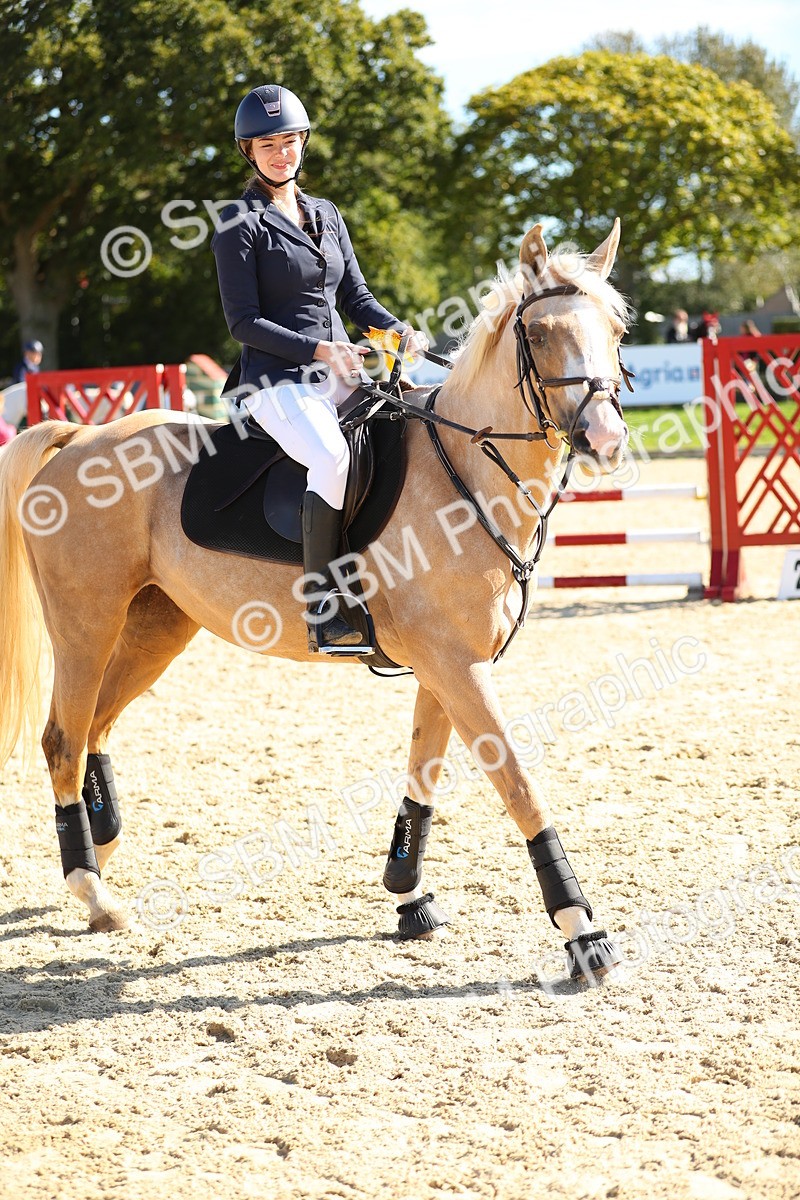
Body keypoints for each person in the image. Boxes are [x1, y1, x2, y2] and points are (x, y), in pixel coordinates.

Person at [212, 84, 427, 656]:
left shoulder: (326, 214)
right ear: (248, 152)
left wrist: (396, 330)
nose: (280, 153)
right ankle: (323, 607)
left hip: (339, 375)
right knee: (330, 457)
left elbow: (357, 299)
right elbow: (243, 322)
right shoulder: (238, 220)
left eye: (289, 141)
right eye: (267, 145)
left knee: (416, 424)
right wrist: (318, 351)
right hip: (275, 381)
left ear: (303, 143)